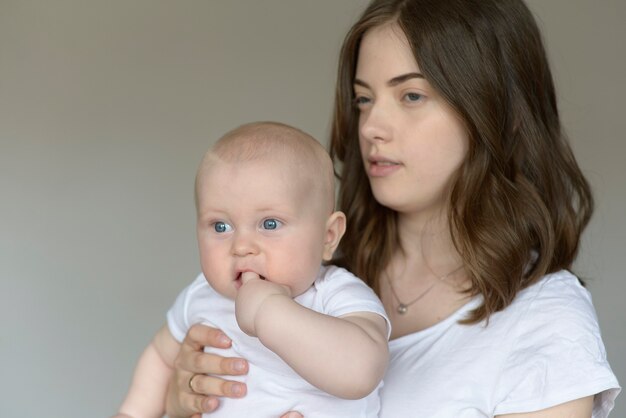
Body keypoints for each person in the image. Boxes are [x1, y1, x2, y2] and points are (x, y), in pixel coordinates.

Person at [163, 1, 621, 417]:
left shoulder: (544, 319)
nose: (372, 127)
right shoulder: (306, 280)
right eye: (364, 99)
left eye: (411, 96)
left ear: (497, 109)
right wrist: (184, 403)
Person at [113, 122, 390, 418]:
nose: (241, 246)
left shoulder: (335, 294)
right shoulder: (201, 297)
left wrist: (270, 311)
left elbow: (362, 372)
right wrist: (132, 412)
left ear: (328, 236)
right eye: (221, 226)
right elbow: (161, 356)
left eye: (269, 224)